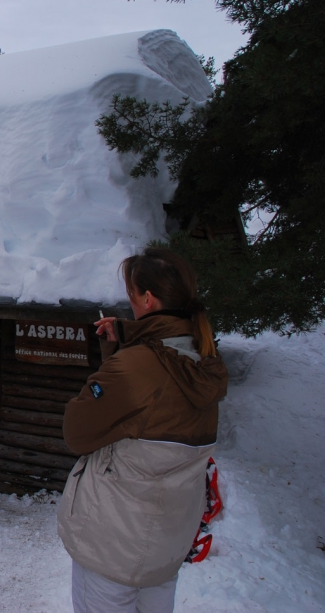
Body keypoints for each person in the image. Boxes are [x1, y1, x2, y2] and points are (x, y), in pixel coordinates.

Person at [57, 247, 229, 613]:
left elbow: (78, 432)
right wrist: (126, 342)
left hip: (114, 548)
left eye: (130, 294)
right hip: (165, 545)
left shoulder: (134, 369)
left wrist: (115, 365)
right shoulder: (205, 363)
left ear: (147, 299)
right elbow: (151, 398)